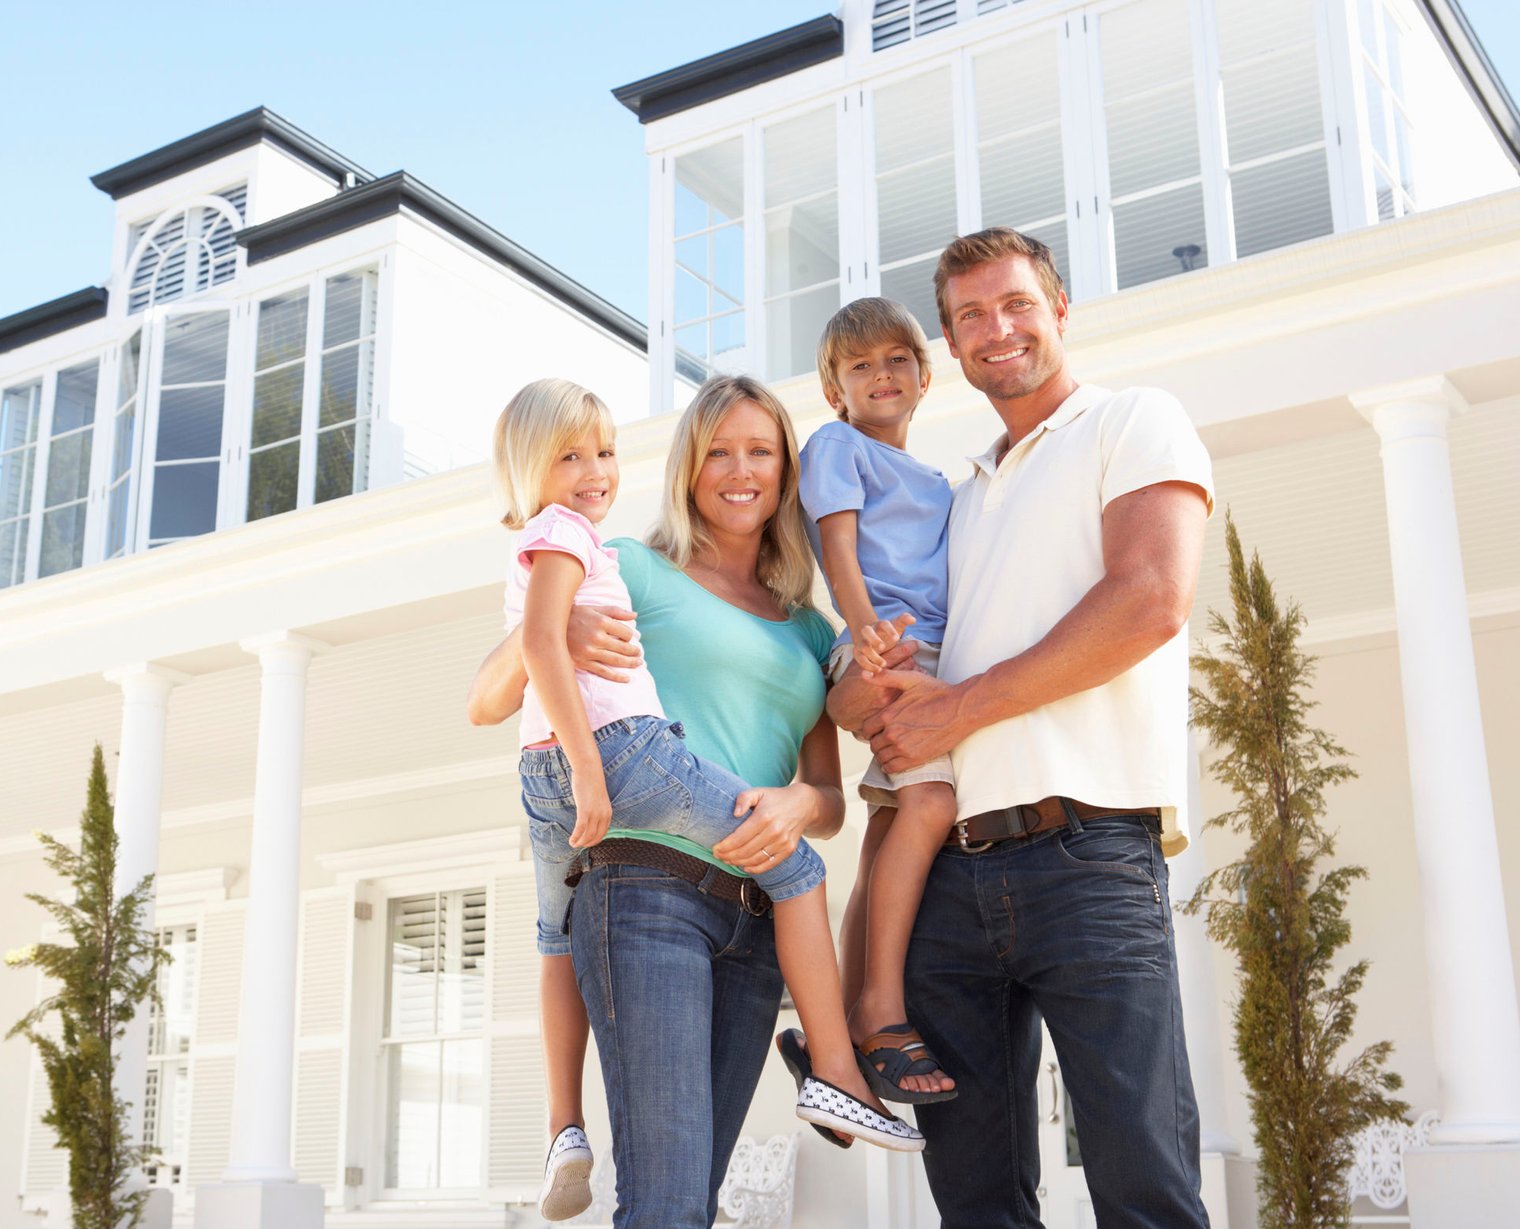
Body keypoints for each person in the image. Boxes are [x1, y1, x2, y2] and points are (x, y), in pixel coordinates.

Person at [829, 228, 1215, 1228]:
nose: (994, 329)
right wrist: (858, 689)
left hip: (1087, 853)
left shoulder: (1131, 421)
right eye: (968, 317)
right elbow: (881, 677)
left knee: (1142, 1180)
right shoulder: (952, 500)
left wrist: (958, 705)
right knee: (977, 1201)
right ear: (950, 347)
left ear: (1059, 310)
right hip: (945, 879)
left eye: (1014, 304)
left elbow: (1148, 599)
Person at [469, 375, 917, 1229]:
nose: (740, 470)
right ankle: (833, 1074)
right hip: (646, 894)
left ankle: (830, 1078)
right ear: (688, 467)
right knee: (667, 1202)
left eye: (761, 451)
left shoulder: (807, 628)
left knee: (690, 1205)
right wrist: (550, 633)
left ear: (786, 472)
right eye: (719, 450)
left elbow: (827, 794)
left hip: (755, 922)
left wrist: (795, 805)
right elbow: (487, 701)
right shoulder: (629, 564)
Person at [796, 298, 959, 1104]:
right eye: (858, 366)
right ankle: (881, 1009)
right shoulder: (836, 445)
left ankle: (841, 1027)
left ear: (924, 377)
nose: (880, 375)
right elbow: (839, 548)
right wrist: (865, 632)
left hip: (932, 655)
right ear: (836, 391)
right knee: (929, 803)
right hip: (887, 646)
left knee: (893, 822)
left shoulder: (938, 479)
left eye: (896, 359)